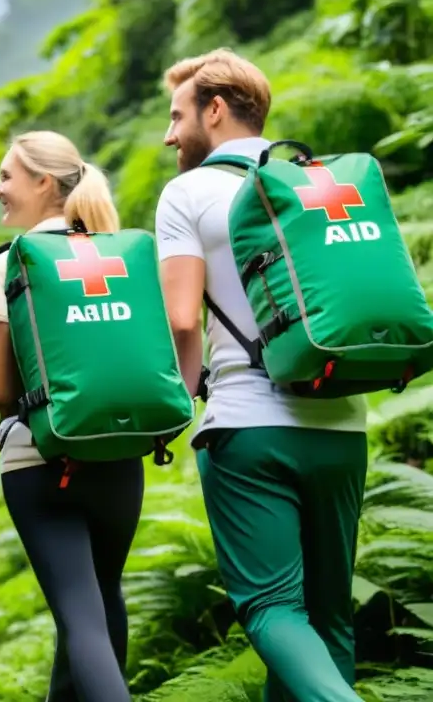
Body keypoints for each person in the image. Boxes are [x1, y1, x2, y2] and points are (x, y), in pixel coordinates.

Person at [155, 49, 367, 702]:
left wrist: (178, 403)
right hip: (342, 424)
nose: (169, 135)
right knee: (328, 618)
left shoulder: (188, 193)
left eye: (176, 116)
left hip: (250, 428)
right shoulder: (314, 180)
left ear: (214, 111)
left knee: (274, 608)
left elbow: (182, 321)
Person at [0, 130, 140, 702]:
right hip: (121, 454)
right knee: (102, 601)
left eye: (7, 176)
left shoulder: (11, 264)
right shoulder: (115, 250)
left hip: (40, 461)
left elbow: (0, 389)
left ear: (43, 182)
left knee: (80, 620)